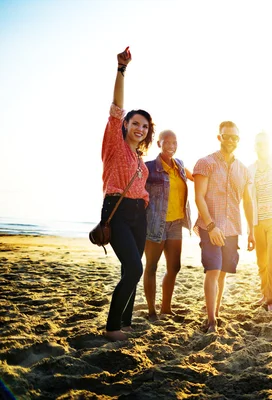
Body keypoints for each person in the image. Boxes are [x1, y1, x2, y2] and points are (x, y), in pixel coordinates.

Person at [100, 47, 154, 341]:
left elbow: (142, 188)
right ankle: (111, 328)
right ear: (125, 125)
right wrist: (121, 70)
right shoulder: (114, 144)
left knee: (130, 269)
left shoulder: (140, 158)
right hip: (117, 211)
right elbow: (116, 106)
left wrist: (144, 205)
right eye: (135, 123)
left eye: (145, 126)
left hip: (138, 216)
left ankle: (126, 322)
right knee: (135, 268)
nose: (140, 128)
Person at [193, 121, 255, 333]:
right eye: (226, 136)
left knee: (222, 274)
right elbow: (198, 197)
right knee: (213, 270)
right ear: (219, 137)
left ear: (238, 140)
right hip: (210, 226)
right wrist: (211, 227)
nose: (230, 140)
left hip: (232, 228)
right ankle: (211, 320)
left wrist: (251, 231)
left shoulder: (244, 170)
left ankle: (216, 312)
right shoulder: (205, 163)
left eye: (234, 137)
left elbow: (247, 202)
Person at [143, 130, 193, 321]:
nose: (171, 146)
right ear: (159, 144)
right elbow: (136, 190)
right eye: (167, 142)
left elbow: (196, 177)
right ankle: (151, 311)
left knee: (174, 267)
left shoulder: (179, 165)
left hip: (176, 224)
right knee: (152, 267)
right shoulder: (149, 168)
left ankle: (166, 308)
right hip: (156, 224)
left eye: (174, 142)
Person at [248, 87, 272, 312]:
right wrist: (250, 229)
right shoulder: (250, 170)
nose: (263, 147)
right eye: (259, 144)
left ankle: (271, 300)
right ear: (255, 147)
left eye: (266, 143)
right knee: (262, 262)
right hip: (258, 221)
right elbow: (247, 201)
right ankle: (265, 296)